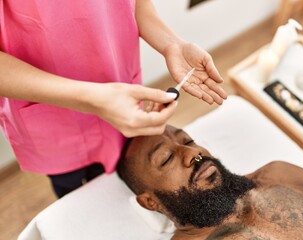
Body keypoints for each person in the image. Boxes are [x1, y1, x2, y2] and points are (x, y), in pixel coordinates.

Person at [0, 0, 227, 197]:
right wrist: (91, 99)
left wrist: (172, 44)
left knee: (120, 169)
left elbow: (132, 4)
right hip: (50, 120)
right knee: (69, 186)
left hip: (120, 91)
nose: (192, 155)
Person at [117, 125, 303, 240]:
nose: (194, 153)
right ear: (150, 202)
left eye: (189, 141)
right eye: (167, 158)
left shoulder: (282, 176)